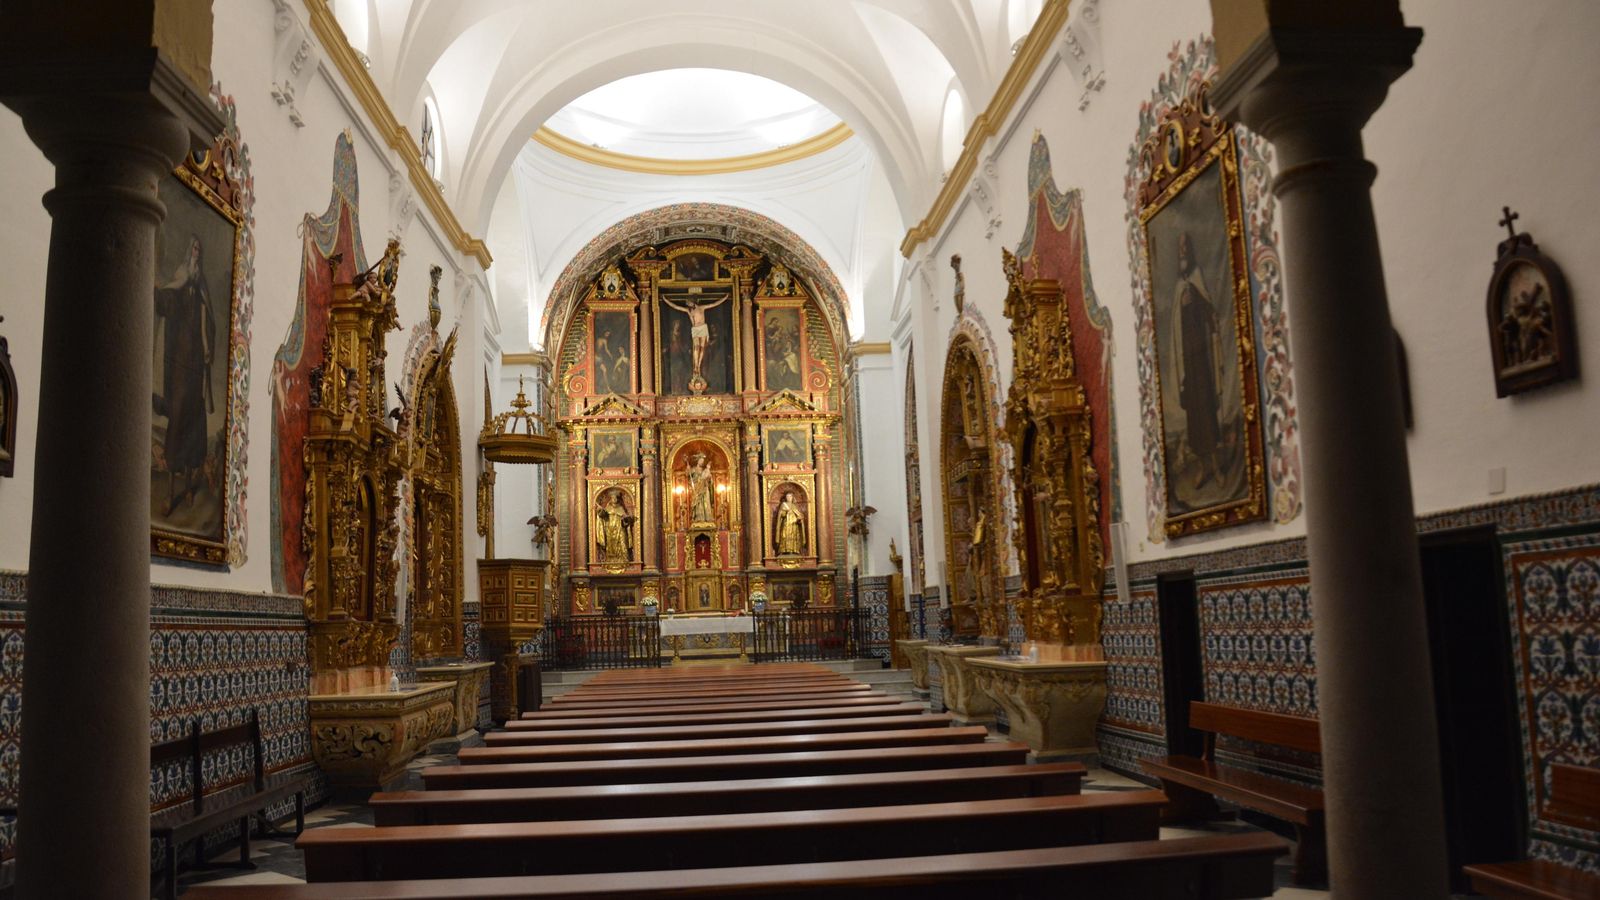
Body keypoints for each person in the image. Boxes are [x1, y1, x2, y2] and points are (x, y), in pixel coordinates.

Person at [154, 234, 216, 517]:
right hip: (179, 363)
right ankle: (169, 491)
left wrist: (206, 349)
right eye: (193, 248)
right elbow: (167, 300)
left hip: (195, 367)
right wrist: (162, 289)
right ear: (187, 251)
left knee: (194, 424)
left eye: (199, 249)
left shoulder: (200, 285)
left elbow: (207, 322)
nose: (196, 253)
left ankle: (190, 485)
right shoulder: (182, 277)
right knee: (178, 423)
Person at [1170, 230, 1225, 490]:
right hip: (1188, 364)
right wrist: (1182, 303)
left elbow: (1208, 311)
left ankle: (1215, 464)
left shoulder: (1195, 278)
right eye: (1179, 249)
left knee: (1206, 408)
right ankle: (1203, 466)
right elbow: (1174, 331)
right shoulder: (1178, 288)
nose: (1182, 252)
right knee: (1195, 417)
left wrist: (1197, 303)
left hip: (1200, 360)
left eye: (1185, 248)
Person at [661, 292, 730, 383]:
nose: (688, 304)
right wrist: (666, 300)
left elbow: (714, 304)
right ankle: (696, 365)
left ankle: (698, 365)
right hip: (695, 329)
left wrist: (725, 298)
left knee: (702, 348)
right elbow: (676, 307)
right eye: (687, 303)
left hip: (703, 327)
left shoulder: (702, 308)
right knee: (696, 348)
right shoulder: (689, 311)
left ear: (693, 302)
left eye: (688, 302)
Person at [595, 490, 632, 564]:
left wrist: (626, 518)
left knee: (623, 541)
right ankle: (610, 559)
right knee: (611, 544)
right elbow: (602, 516)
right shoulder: (608, 507)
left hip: (620, 528)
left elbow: (625, 518)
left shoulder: (621, 508)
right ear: (611, 499)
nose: (614, 499)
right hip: (610, 528)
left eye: (616, 498)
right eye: (613, 498)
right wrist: (600, 510)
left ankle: (624, 558)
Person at [774, 491, 806, 555]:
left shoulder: (794, 506)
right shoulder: (783, 504)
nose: (789, 498)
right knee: (784, 536)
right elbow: (780, 515)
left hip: (794, 524)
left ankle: (794, 550)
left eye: (790, 496)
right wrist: (785, 513)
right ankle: (783, 550)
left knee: (793, 536)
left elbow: (799, 515)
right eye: (787, 496)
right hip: (786, 523)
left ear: (792, 497)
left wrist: (799, 518)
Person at [687, 452, 715, 523]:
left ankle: (706, 517)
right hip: (697, 489)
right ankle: (699, 517)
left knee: (705, 501)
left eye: (703, 461)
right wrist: (688, 469)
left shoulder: (704, 470)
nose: (702, 462)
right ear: (698, 461)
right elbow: (688, 476)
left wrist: (709, 479)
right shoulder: (693, 469)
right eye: (701, 461)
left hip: (704, 489)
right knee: (698, 503)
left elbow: (709, 480)